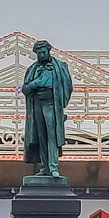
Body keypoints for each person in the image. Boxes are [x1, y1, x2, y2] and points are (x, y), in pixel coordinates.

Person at [21, 40, 73, 178]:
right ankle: (46, 166)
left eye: (44, 52)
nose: (42, 55)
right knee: (41, 135)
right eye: (39, 53)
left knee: (52, 135)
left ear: (49, 51)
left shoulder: (60, 67)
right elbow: (25, 89)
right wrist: (36, 83)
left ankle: (53, 166)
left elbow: (67, 86)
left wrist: (61, 106)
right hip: (37, 103)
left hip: (52, 103)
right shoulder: (32, 70)